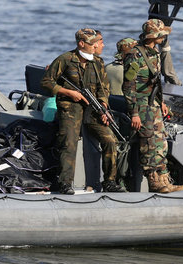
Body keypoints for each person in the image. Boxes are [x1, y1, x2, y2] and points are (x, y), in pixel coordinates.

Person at [41, 28, 126, 194]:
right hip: (70, 108)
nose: (97, 46)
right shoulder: (65, 59)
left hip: (93, 110)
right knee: (69, 143)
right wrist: (68, 92)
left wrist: (103, 107)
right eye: (94, 43)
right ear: (82, 43)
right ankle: (65, 183)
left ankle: (109, 181)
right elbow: (46, 82)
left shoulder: (98, 63)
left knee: (110, 140)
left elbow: (104, 89)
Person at [122, 19, 183, 193]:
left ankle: (165, 180)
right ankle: (154, 182)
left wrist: (161, 103)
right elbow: (128, 87)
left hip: (154, 105)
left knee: (161, 142)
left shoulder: (154, 53)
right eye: (162, 34)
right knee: (149, 143)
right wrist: (134, 113)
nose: (164, 36)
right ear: (154, 35)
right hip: (142, 106)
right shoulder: (135, 55)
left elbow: (155, 82)